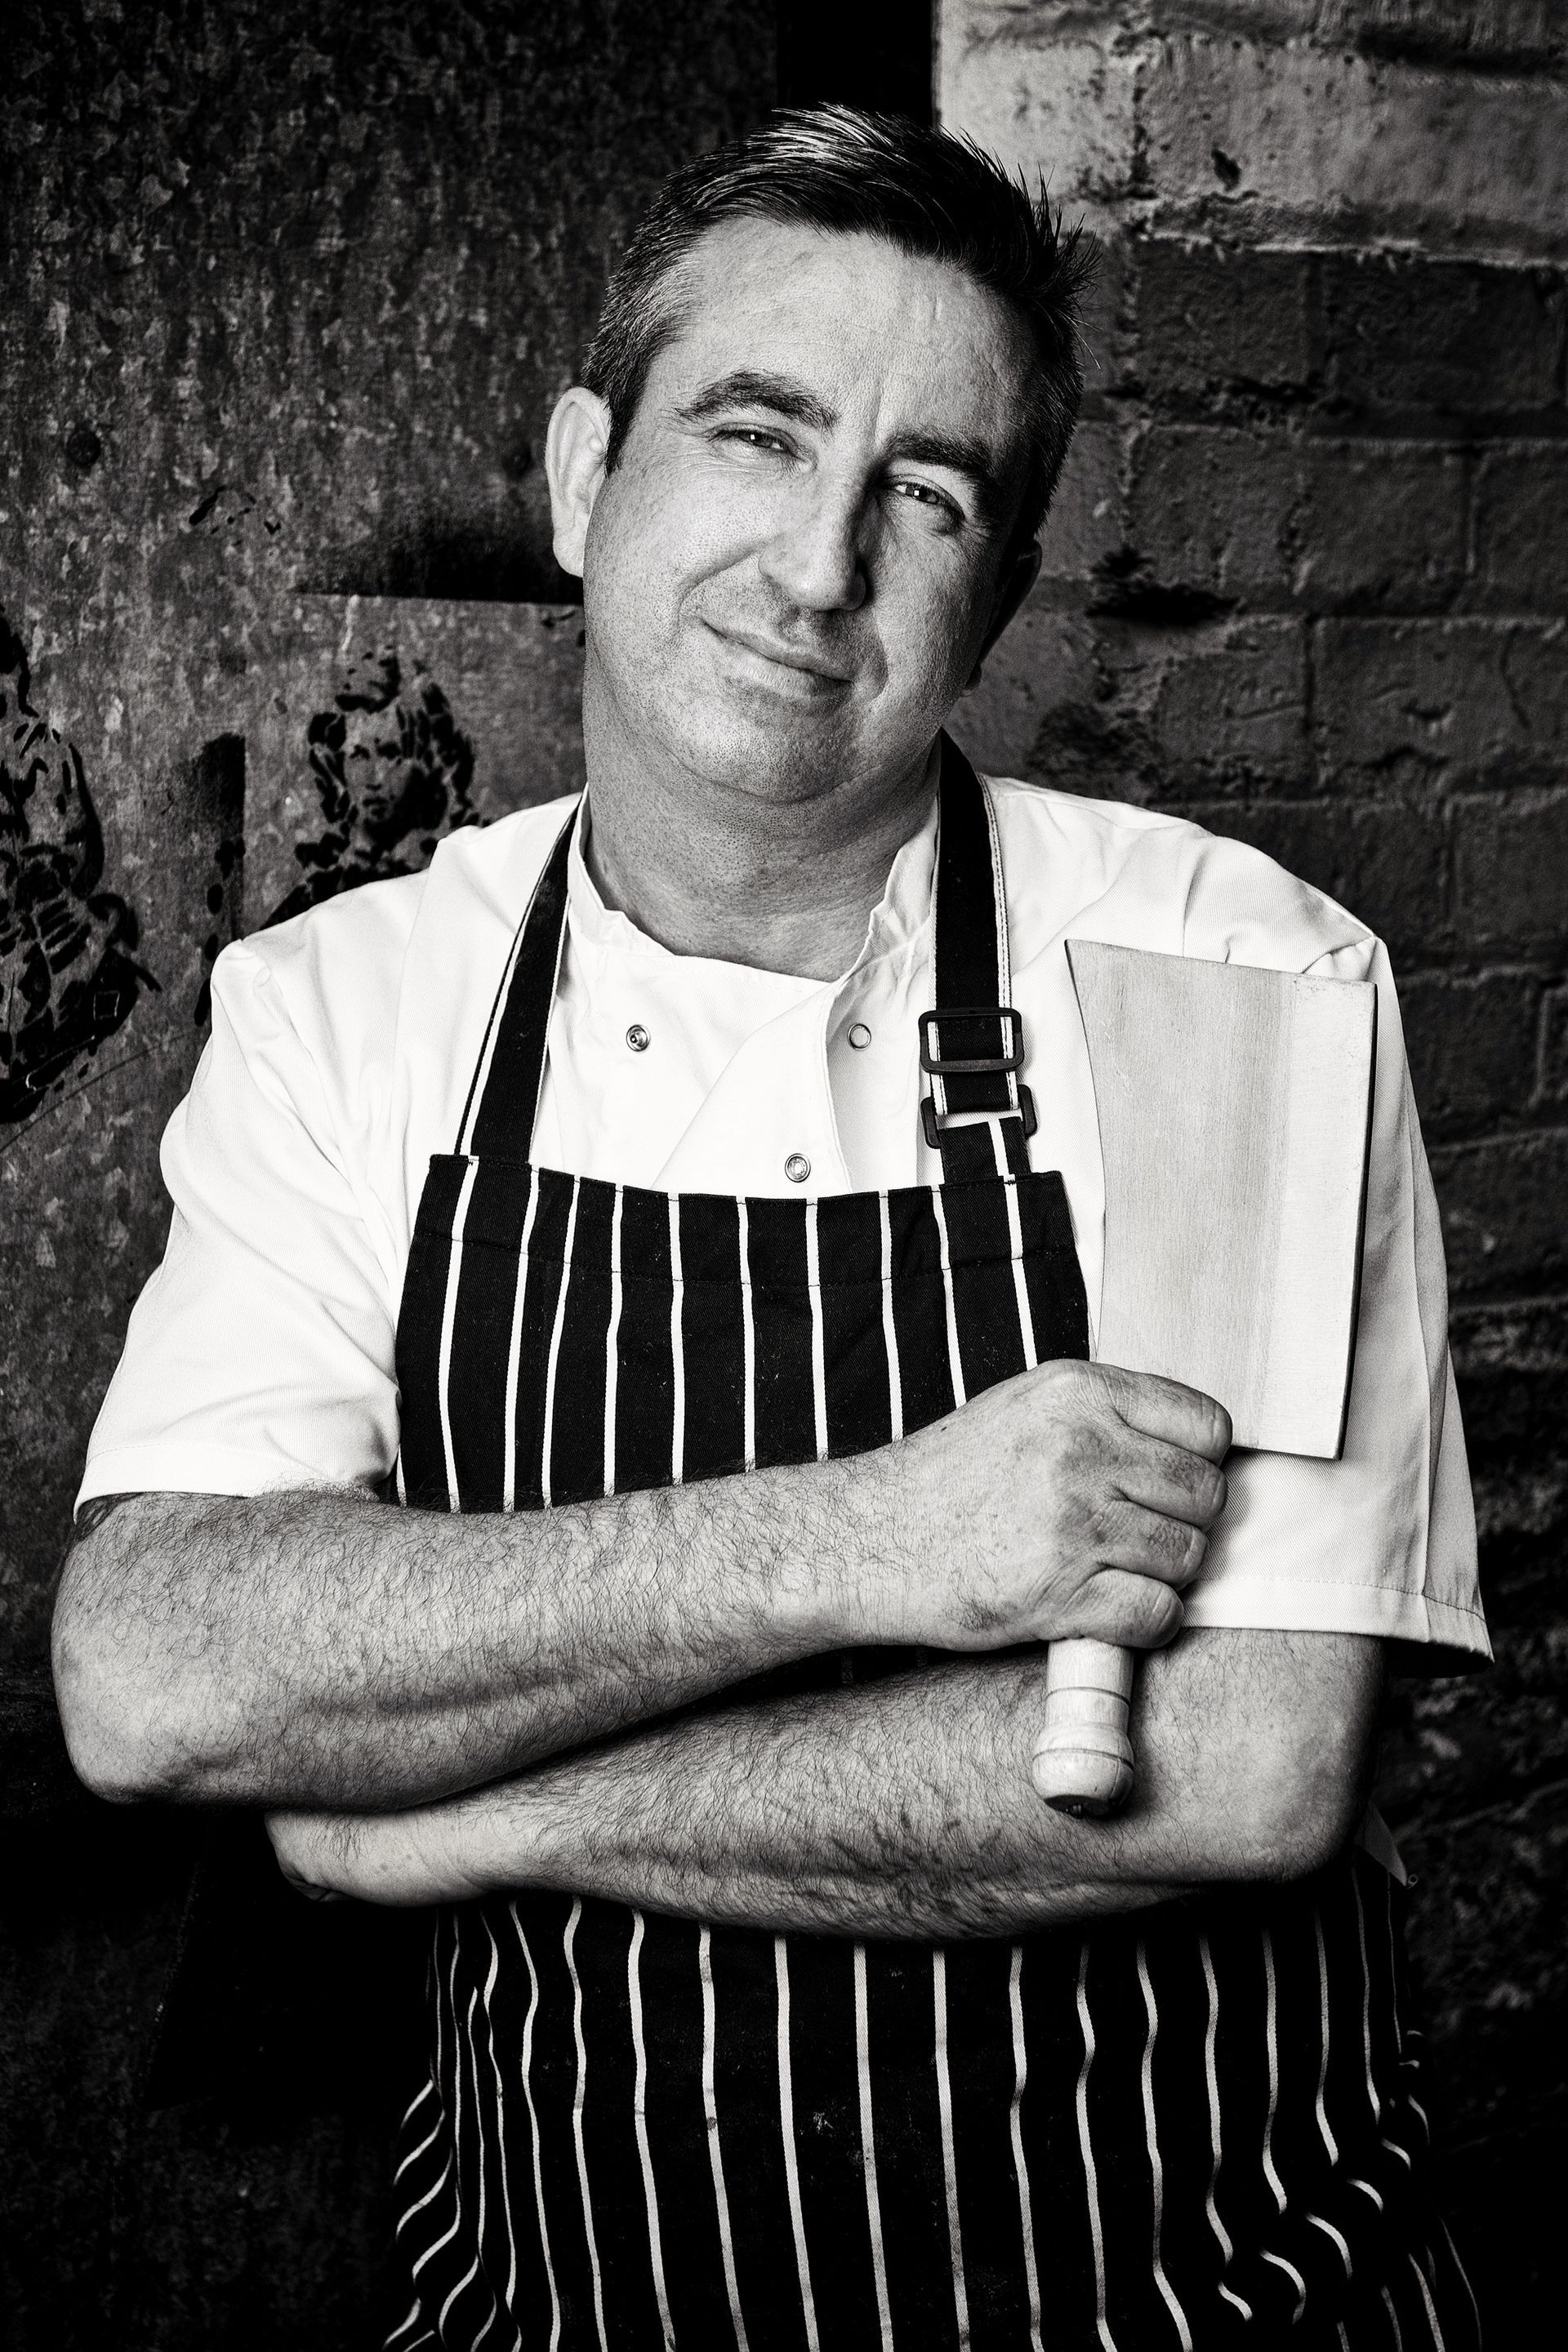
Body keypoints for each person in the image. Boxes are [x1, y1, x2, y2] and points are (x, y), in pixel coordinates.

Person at [54, 108, 1488, 2352]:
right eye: (756, 433)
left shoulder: (1240, 985)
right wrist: (886, 1538)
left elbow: (1243, 1767)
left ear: (992, 597)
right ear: (576, 479)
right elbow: (152, 1677)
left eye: (926, 493)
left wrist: (462, 1818)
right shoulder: (353, 1007)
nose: (820, 565)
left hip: (1216, 2308)